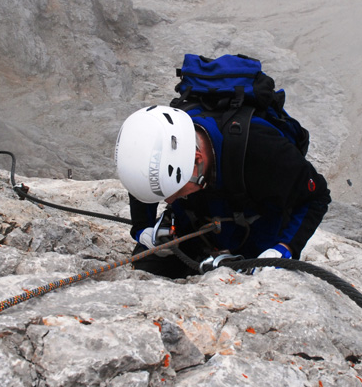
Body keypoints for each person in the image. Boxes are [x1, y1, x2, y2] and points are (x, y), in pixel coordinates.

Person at [115, 103, 331, 278]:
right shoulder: (165, 145)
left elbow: (316, 196)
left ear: (196, 160)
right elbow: (144, 180)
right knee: (145, 268)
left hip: (256, 242)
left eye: (176, 190)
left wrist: (285, 248)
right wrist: (143, 229)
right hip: (194, 230)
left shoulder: (264, 150)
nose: (170, 200)